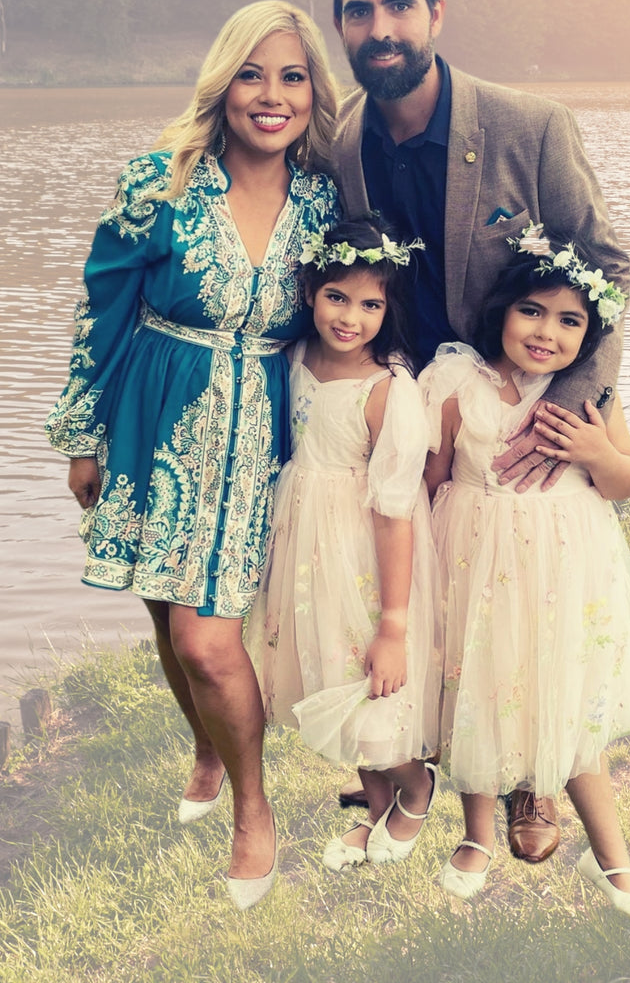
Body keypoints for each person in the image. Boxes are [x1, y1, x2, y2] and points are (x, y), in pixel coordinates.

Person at [330, 0, 630, 857]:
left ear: (436, 12)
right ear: (341, 23)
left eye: (397, 6)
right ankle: (421, 759)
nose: (379, 28)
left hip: (520, 402)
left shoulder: (528, 126)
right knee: (429, 594)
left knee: (533, 597)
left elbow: (607, 264)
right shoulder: (339, 140)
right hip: (417, 406)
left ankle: (536, 779)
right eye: (358, 10)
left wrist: (564, 412)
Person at [45, 0, 340, 911]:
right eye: (252, 73)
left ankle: (255, 811)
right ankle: (209, 743)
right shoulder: (160, 183)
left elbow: (356, 313)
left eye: (292, 76)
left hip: (262, 434)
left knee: (208, 643)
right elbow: (101, 310)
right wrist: (84, 433)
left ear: (312, 92)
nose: (271, 94)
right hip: (153, 422)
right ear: (223, 81)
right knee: (166, 615)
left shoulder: (329, 202)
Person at [420, 224, 630, 927]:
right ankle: (476, 837)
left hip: (566, 565)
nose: (546, 332)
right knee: (476, 687)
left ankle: (613, 859)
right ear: (500, 310)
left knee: (566, 701)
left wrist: (596, 450)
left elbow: (627, 481)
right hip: (474, 556)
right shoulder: (454, 381)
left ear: (588, 337)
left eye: (569, 321)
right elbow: (432, 481)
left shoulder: (587, 395)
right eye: (531, 310)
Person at [246, 216, 442, 872]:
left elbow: (394, 513)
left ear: (390, 308)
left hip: (361, 557)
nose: (350, 316)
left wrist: (394, 621)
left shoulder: (388, 391)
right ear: (309, 291)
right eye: (337, 296)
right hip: (302, 546)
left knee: (368, 678)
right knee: (331, 676)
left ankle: (415, 784)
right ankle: (379, 804)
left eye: (370, 303)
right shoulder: (294, 361)